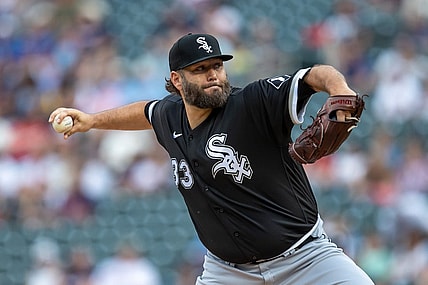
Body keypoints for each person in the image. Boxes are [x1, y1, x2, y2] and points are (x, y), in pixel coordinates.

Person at [49, 33, 374, 284]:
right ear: (177, 80)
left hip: (305, 258)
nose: (213, 75)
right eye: (200, 69)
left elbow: (316, 74)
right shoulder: (170, 115)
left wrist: (340, 92)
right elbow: (144, 112)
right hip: (228, 272)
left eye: (217, 66)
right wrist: (92, 120)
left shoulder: (254, 102)